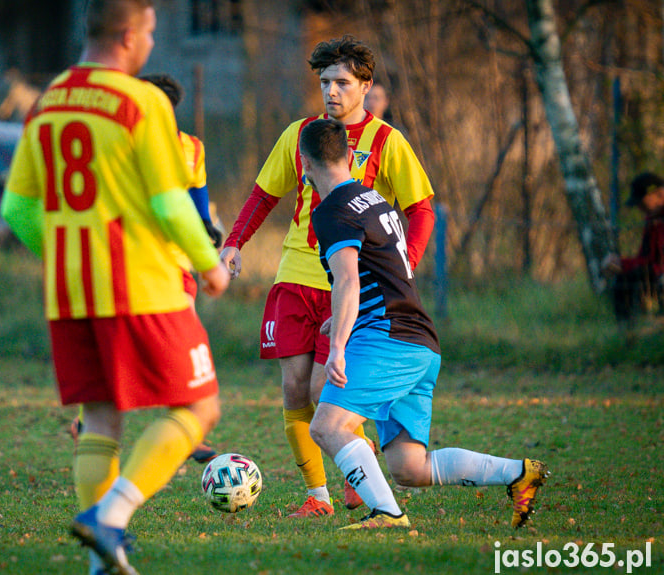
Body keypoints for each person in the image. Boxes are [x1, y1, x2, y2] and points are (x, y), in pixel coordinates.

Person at [0, 1, 230, 574]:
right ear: (128, 35)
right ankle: (111, 516)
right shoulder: (140, 101)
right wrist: (210, 264)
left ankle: (101, 563)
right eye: (150, 33)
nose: (151, 44)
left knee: (100, 419)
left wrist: (63, 255)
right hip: (141, 286)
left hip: (70, 292)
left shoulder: (47, 102)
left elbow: (16, 209)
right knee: (200, 406)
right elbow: (170, 203)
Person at [219, 35, 436, 518]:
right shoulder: (300, 135)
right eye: (325, 82)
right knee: (294, 389)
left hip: (351, 285)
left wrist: (406, 263)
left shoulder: (386, 141)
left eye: (342, 82)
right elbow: (263, 195)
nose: (332, 92)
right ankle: (318, 496)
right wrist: (235, 241)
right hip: (295, 276)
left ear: (366, 86)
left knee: (326, 390)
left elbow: (420, 209)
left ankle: (358, 483)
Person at [302, 118, 549, 530]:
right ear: (349, 156)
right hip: (419, 342)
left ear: (304, 163)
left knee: (328, 426)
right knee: (409, 467)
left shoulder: (331, 211)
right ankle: (518, 473)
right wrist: (342, 319)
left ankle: (387, 514)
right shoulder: (375, 200)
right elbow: (377, 274)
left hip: (387, 339)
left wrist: (340, 345)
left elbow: (347, 279)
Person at [68, 72, 223, 465]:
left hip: (176, 263)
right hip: (131, 262)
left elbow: (198, 208)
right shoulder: (122, 146)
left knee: (183, 338)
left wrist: (208, 238)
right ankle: (188, 421)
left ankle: (187, 423)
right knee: (149, 345)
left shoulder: (192, 149)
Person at [604, 172, 664, 326]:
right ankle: (627, 331)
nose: (639, 208)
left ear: (658, 194)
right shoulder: (652, 220)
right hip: (658, 275)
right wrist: (620, 263)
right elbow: (647, 259)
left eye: (642, 202)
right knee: (623, 279)